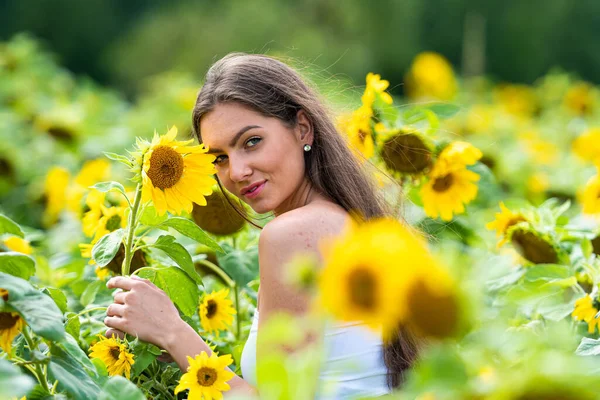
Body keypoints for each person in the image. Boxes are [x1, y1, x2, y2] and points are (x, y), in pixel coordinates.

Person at [104, 53, 418, 398]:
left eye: (251, 141)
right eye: (219, 158)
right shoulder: (352, 222)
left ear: (302, 128)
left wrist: (173, 333)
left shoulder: (293, 235)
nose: (237, 172)